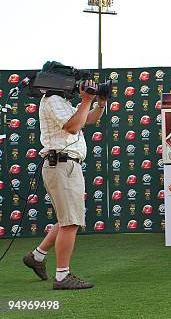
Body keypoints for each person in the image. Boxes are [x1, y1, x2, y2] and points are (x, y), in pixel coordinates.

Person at [23, 79, 106, 289]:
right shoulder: (52, 99)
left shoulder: (60, 100)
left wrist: (100, 103)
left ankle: (37, 256)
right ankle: (62, 276)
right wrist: (87, 99)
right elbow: (72, 126)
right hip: (62, 164)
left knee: (67, 218)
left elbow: (87, 120)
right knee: (70, 222)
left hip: (64, 164)